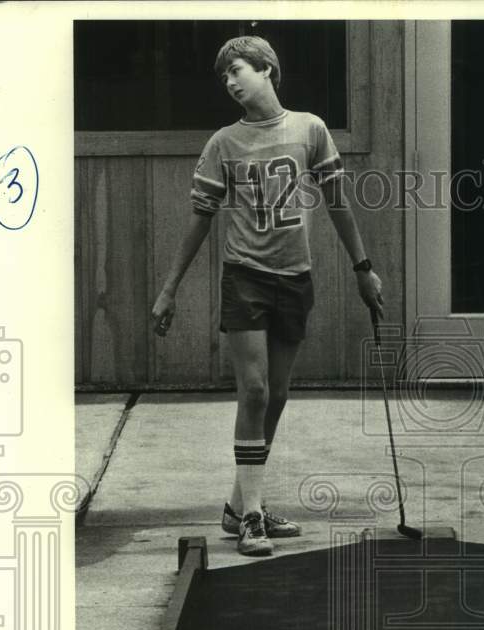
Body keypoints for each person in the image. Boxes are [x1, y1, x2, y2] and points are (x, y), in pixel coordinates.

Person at [151, 35, 384, 556]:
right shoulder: (223, 143)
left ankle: (239, 505)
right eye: (224, 76)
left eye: (237, 70)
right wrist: (169, 289)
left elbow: (338, 204)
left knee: (277, 394)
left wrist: (362, 269)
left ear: (267, 69)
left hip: (294, 276)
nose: (230, 82)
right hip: (245, 276)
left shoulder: (309, 128)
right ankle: (253, 516)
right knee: (253, 391)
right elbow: (199, 220)